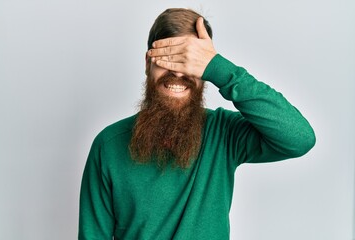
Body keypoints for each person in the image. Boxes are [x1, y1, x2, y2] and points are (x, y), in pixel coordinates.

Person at [78, 8, 315, 240]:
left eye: (190, 63)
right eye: (169, 59)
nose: (178, 74)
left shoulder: (223, 133)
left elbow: (300, 138)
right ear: (147, 63)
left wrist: (221, 70)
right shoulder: (107, 145)